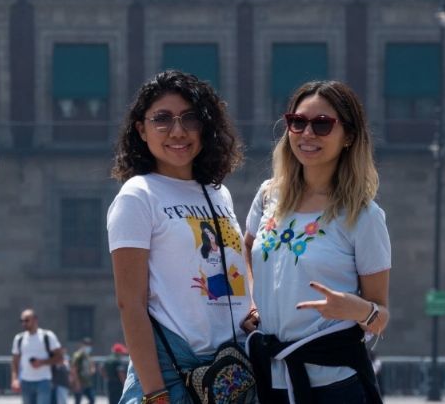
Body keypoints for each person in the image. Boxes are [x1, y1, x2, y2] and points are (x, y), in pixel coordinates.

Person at [242, 80, 390, 404]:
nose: (307, 133)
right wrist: (253, 301)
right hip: (268, 379)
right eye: (298, 122)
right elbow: (247, 249)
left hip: (334, 386)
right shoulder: (269, 195)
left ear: (348, 136)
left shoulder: (363, 217)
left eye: (322, 125)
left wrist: (355, 309)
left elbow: (380, 318)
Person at [107, 70, 246, 404]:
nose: (178, 131)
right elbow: (131, 304)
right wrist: (155, 393)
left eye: (190, 118)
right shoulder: (137, 195)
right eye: (162, 119)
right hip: (172, 373)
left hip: (229, 372)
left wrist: (251, 308)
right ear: (141, 129)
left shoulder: (218, 193)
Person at [11, 308, 65, 404]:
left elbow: (60, 357)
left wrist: (42, 362)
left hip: (43, 381)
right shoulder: (19, 338)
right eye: (22, 321)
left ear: (35, 320)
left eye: (27, 320)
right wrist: (15, 379)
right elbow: (15, 361)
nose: (24, 323)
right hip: (25, 381)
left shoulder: (47, 336)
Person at [71, 337, 97, 404]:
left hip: (87, 382)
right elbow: (74, 369)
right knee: (78, 401)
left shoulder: (87, 356)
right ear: (82, 345)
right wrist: (77, 383)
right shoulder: (78, 355)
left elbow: (91, 367)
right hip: (79, 382)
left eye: (89, 345)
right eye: (86, 344)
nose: (88, 347)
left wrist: (92, 369)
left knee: (92, 399)